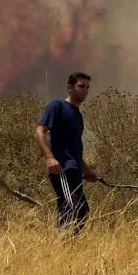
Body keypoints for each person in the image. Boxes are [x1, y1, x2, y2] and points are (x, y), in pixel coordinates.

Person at [35, 71, 96, 236]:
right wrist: (50, 158)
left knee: (82, 212)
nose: (85, 90)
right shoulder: (57, 106)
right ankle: (60, 245)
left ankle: (65, 246)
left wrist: (86, 169)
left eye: (87, 87)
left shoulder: (78, 116)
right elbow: (39, 132)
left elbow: (73, 147)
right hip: (60, 169)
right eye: (81, 86)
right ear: (70, 87)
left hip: (74, 170)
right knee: (73, 208)